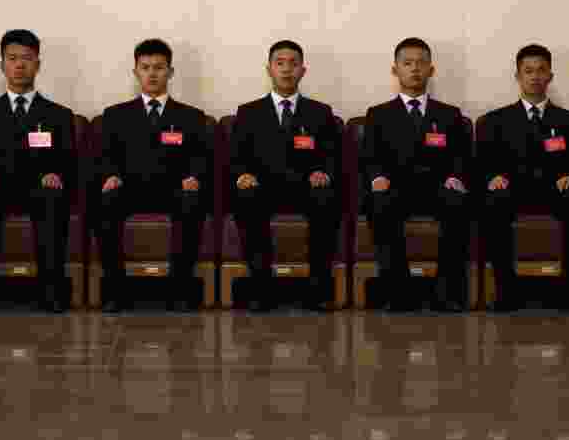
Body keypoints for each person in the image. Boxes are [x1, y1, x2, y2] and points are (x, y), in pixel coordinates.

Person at [93, 39, 212, 313]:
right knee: (105, 201)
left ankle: (180, 290)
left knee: (192, 201)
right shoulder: (115, 115)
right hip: (129, 189)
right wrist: (110, 175)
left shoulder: (191, 116)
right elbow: (105, 156)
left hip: (175, 190)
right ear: (136, 72)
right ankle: (115, 291)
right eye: (145, 67)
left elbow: (200, 157)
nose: (152, 74)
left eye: (159, 67)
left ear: (170, 72)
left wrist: (194, 176)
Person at [0, 29, 76, 313]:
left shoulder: (59, 115)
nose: (20, 65)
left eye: (27, 58)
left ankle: (52, 293)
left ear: (38, 64)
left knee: (53, 197)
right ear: (2, 65)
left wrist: (57, 173)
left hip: (40, 188)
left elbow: (69, 159)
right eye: (12, 58)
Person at [476, 43, 569, 312]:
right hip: (513, 191)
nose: (535, 76)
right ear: (518, 76)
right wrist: (493, 177)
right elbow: (484, 161)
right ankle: (506, 292)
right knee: (494, 199)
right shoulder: (496, 120)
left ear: (550, 76)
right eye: (528, 71)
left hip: (555, 191)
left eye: (541, 70)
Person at [360, 37, 472, 312]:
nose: (414, 69)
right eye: (407, 63)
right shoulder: (378, 114)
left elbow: (461, 156)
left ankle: (448, 294)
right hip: (395, 189)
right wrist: (377, 178)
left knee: (458, 202)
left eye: (421, 63)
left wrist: (456, 177)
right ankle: (398, 292)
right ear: (395, 69)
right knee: (379, 203)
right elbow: (370, 157)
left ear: (431, 70)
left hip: (437, 189)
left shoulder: (449, 114)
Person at [229, 40, 342, 312]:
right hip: (263, 187)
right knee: (247, 197)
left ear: (303, 70)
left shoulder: (320, 112)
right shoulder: (248, 112)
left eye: (293, 64)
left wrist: (323, 173)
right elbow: (236, 156)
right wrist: (242, 175)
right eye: (280, 63)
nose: (287, 69)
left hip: (306, 188)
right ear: (269, 69)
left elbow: (332, 155)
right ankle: (261, 288)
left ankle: (318, 289)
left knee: (326, 197)